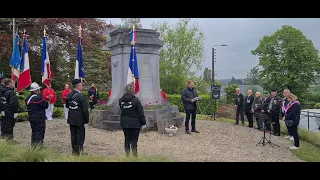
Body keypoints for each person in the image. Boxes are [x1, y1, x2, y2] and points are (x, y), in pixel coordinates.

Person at [119, 83, 146, 157]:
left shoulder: (121, 100)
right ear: (133, 90)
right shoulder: (136, 100)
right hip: (135, 124)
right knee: (134, 140)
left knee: (127, 139)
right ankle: (134, 156)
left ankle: (127, 155)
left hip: (125, 123)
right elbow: (140, 113)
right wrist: (143, 123)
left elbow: (122, 110)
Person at [66, 79, 89, 155]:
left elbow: (67, 105)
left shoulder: (69, 95)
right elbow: (85, 110)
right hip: (79, 119)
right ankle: (79, 151)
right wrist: (86, 120)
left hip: (71, 118)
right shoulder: (81, 96)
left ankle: (74, 151)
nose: (82, 87)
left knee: (73, 135)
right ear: (78, 86)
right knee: (80, 136)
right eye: (81, 85)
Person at [25, 82, 49, 147]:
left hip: (31, 117)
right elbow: (46, 105)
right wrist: (47, 100)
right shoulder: (38, 98)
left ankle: (33, 146)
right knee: (40, 132)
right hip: (39, 118)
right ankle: (39, 147)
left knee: (34, 132)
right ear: (36, 90)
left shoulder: (27, 98)